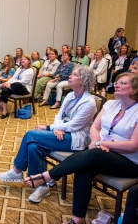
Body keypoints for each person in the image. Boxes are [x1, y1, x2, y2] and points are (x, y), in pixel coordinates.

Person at [24, 72, 138, 224]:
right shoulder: (110, 104)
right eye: (117, 82)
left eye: (123, 83)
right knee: (84, 168)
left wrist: (100, 144)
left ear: (136, 89)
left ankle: (48, 176)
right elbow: (95, 128)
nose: (117, 85)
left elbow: (132, 145)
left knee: (93, 156)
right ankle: (77, 220)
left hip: (128, 161)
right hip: (102, 153)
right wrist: (96, 142)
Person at [0, 65, 96, 204]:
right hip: (61, 132)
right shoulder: (70, 95)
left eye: (74, 75)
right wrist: (56, 128)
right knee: (33, 147)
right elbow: (59, 115)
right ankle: (41, 186)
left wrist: (50, 127)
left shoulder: (89, 103)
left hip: (75, 138)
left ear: (83, 80)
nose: (70, 76)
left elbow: (74, 126)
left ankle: (17, 170)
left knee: (31, 135)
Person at [0, 55, 34, 119]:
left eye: (25, 59)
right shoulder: (19, 68)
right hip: (13, 87)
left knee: (17, 84)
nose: (23, 60)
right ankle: (4, 111)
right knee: (4, 90)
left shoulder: (30, 70)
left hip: (24, 89)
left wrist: (7, 84)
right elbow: (13, 78)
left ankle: (8, 86)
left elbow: (24, 82)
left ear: (29, 61)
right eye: (22, 59)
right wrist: (6, 83)